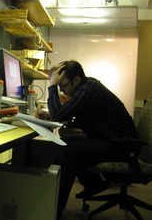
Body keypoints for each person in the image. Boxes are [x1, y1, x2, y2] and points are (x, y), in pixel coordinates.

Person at [42, 60, 139, 219]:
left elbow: (58, 115)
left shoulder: (89, 90)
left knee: (68, 151)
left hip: (124, 146)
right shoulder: (85, 87)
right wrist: (50, 113)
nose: (62, 91)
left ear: (77, 80)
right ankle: (94, 183)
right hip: (111, 139)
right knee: (67, 141)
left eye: (62, 86)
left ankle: (54, 210)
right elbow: (65, 113)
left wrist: (51, 86)